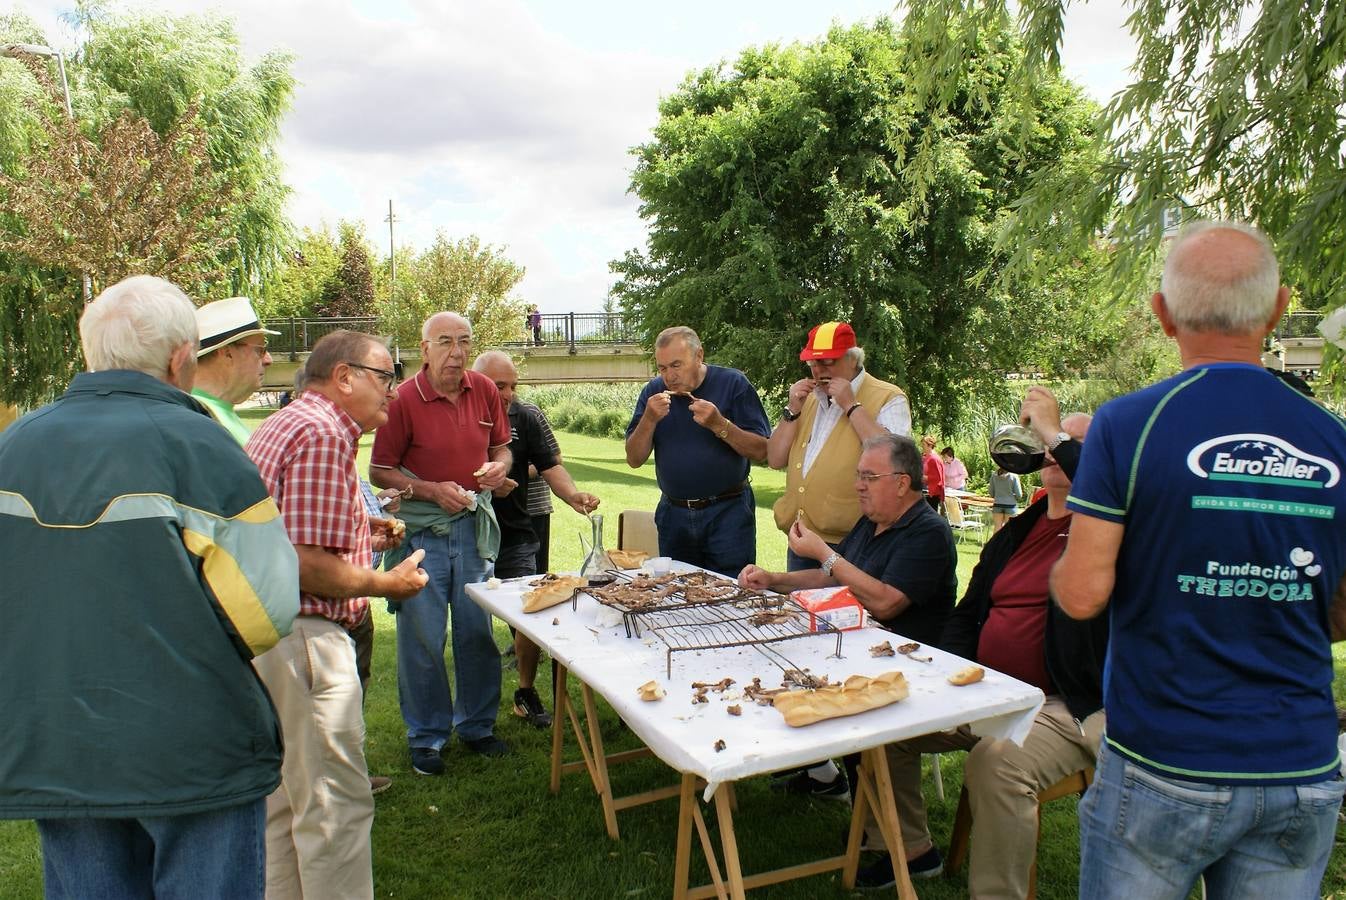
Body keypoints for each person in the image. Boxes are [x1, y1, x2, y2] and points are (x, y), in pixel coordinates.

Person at [1050, 221, 1346, 899]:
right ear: (1277, 309)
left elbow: (1082, 597)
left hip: (1164, 761)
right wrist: (1268, 603)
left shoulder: (1130, 424)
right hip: (1299, 762)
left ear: (1162, 314)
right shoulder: (1334, 438)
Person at [0, 275, 299, 899]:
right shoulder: (204, 446)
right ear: (180, 359)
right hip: (193, 746)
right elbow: (268, 608)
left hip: (57, 742)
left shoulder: (13, 444)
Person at [853, 411, 1106, 893]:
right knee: (883, 723)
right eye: (1051, 439)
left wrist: (1057, 433)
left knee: (997, 762)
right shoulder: (1019, 531)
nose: (1052, 448)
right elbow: (967, 615)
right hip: (989, 692)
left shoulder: (1113, 532)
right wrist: (949, 671)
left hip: (1069, 704)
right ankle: (911, 849)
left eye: (1070, 442)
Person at [246, 330, 429, 900]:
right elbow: (305, 563)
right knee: (334, 810)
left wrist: (359, 528)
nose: (392, 393)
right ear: (344, 377)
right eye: (383, 377)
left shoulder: (289, 422)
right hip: (305, 639)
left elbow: (286, 531)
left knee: (287, 806)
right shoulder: (326, 434)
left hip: (266, 638)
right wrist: (387, 581)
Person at [741, 434, 956, 799]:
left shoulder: (928, 532)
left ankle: (874, 821)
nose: (858, 486)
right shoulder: (872, 521)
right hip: (851, 647)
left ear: (902, 483)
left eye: (869, 477)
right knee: (762, 659)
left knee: (785, 665)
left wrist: (824, 552)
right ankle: (822, 772)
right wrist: (774, 580)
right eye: (859, 475)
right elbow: (832, 576)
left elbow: (886, 603)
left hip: (902, 666)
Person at [369, 312, 514, 774]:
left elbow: (501, 447)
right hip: (422, 536)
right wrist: (432, 490)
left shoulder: (485, 390)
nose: (456, 352)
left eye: (464, 342)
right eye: (445, 342)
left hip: (472, 530)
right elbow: (379, 470)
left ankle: (477, 726)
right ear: (425, 347)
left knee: (477, 631)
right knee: (423, 637)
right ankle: (427, 736)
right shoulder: (405, 399)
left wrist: (500, 466)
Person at [473, 351, 600, 728]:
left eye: (513, 385)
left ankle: (525, 693)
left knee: (532, 617)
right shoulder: (460, 419)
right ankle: (475, 710)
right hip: (469, 539)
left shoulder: (524, 418)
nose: (509, 393)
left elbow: (550, 464)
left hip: (516, 535)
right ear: (477, 383)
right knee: (473, 627)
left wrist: (572, 495)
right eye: (500, 386)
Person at [625, 325, 771, 575]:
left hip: (728, 512)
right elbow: (634, 459)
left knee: (730, 593)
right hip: (674, 515)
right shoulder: (652, 393)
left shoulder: (733, 384)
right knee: (677, 596)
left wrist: (719, 424)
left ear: (699, 356)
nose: (668, 376)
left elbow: (763, 452)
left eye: (676, 365)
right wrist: (649, 419)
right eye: (662, 368)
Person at [769, 321, 912, 570]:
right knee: (799, 608)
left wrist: (851, 406)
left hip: (855, 542)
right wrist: (792, 409)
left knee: (843, 608)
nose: (818, 370)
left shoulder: (889, 397)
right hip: (802, 537)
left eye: (828, 362)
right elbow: (775, 458)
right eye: (813, 363)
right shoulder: (808, 400)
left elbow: (894, 459)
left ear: (853, 359)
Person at [191, 295, 278, 442]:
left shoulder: (208, 413)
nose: (268, 360)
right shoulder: (195, 416)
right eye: (260, 350)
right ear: (227, 353)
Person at [990, 466, 1025, 532]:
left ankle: (996, 542)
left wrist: (998, 496)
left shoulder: (994, 475)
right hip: (1010, 505)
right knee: (1009, 529)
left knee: (997, 527)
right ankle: (1007, 542)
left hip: (997, 504)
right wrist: (1014, 497)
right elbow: (1019, 495)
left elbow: (991, 492)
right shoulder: (1014, 476)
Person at [921, 435, 946, 513]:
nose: (922, 447)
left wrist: (924, 477)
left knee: (930, 514)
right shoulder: (926, 457)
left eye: (924, 445)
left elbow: (938, 478)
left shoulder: (934, 458)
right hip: (926, 490)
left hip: (933, 492)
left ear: (930, 445)